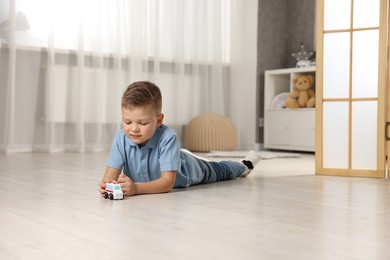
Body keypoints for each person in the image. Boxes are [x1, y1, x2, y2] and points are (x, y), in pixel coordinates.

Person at [98, 81, 261, 197]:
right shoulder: (121, 138)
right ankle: (179, 155)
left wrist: (136, 188)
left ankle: (244, 165)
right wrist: (107, 186)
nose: (133, 128)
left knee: (219, 171)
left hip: (190, 169)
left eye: (142, 123)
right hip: (173, 159)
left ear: (159, 120)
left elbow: (167, 183)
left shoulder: (167, 137)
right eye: (127, 122)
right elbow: (109, 177)